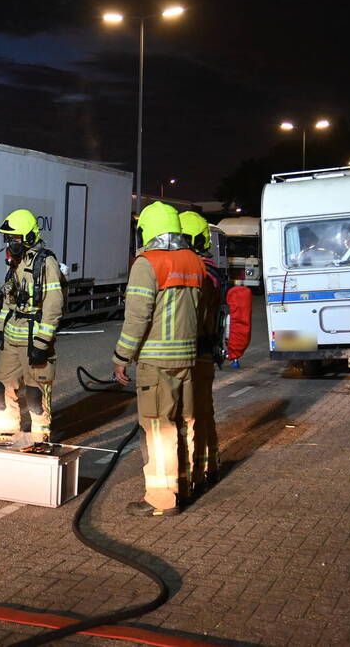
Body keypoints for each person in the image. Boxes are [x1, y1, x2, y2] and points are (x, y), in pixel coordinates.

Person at [112, 202, 205, 516]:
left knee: (158, 428)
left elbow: (137, 318)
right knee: (186, 423)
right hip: (187, 358)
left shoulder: (147, 263)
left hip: (155, 360)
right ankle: (188, 484)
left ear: (147, 230)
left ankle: (162, 499)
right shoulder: (194, 261)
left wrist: (121, 357)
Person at [0, 209, 64, 444]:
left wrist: (42, 343)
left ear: (30, 237)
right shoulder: (15, 263)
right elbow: (8, 301)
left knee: (35, 394)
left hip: (34, 339)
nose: (11, 243)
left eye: (16, 238)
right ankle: (5, 433)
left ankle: (40, 435)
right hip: (11, 338)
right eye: (8, 238)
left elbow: (54, 305)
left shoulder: (46, 263)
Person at [179, 211, 223, 491]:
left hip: (193, 352)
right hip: (206, 352)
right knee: (204, 412)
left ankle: (193, 476)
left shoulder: (198, 273)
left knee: (190, 415)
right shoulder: (212, 270)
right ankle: (209, 466)